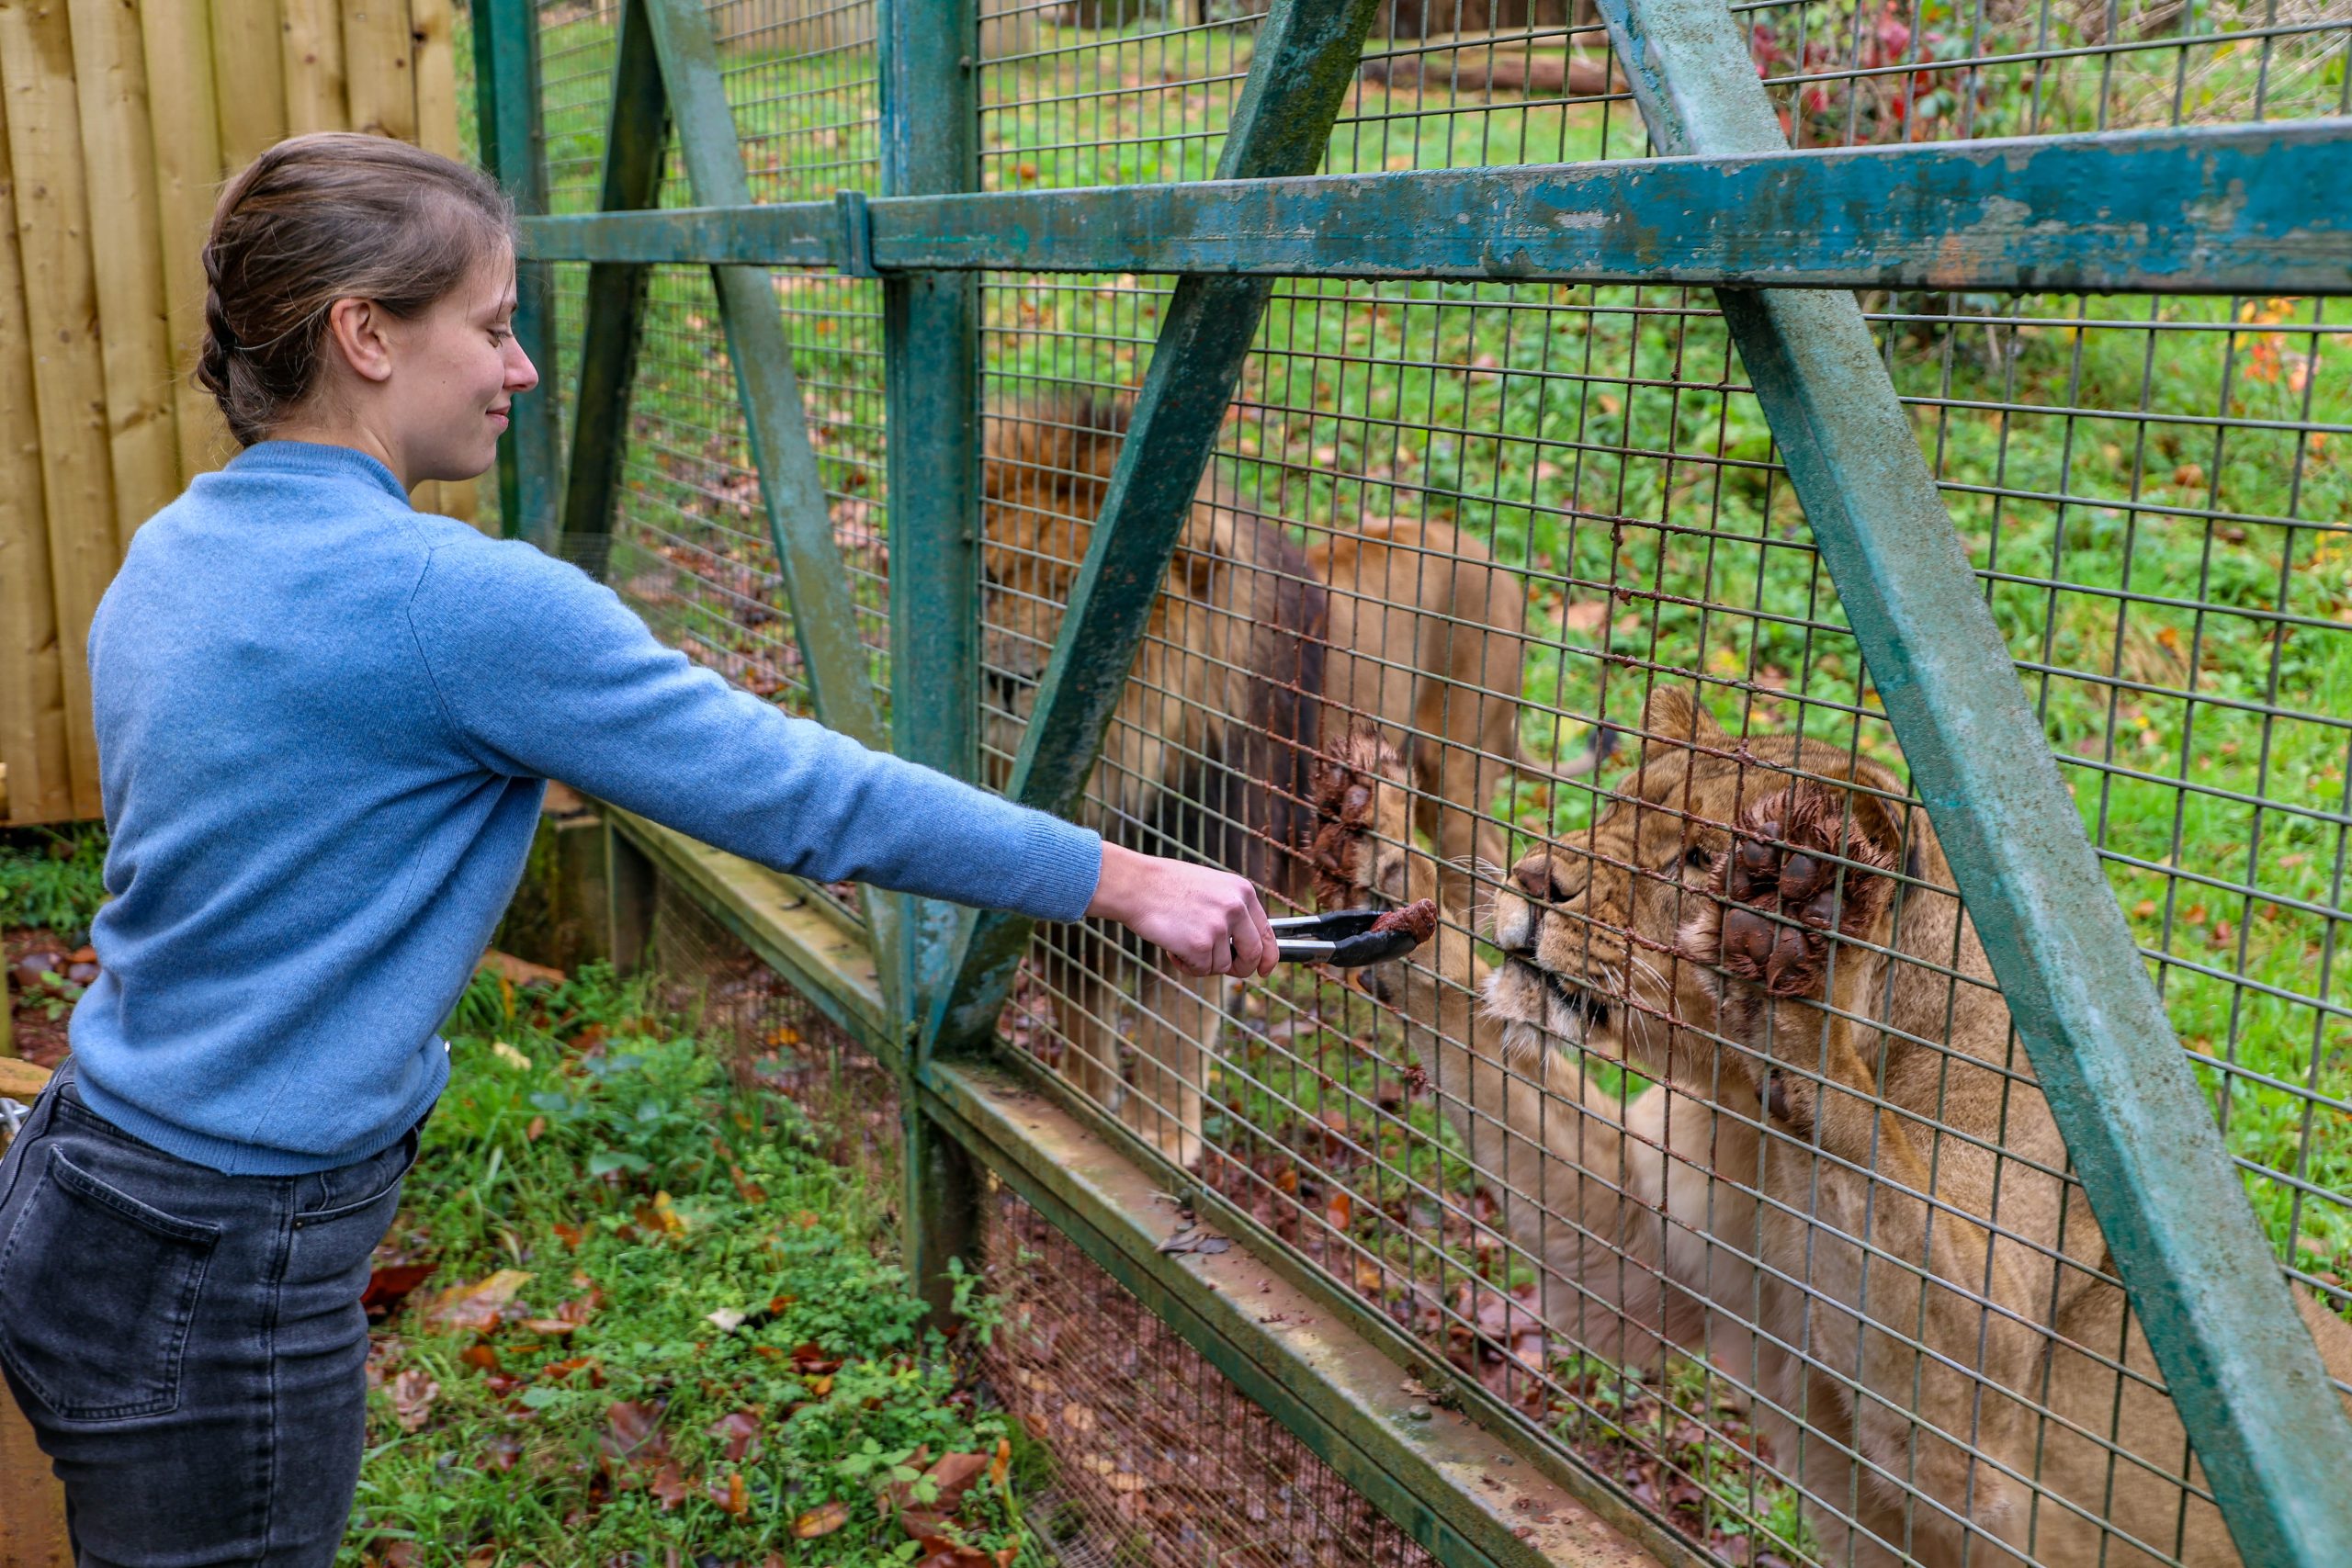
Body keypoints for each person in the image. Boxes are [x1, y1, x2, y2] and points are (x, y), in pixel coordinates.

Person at [0, 131, 1277, 1567]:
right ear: (364, 333)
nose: (522, 366)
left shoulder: (174, 549)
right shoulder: (457, 605)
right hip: (225, 1261)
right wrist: (1123, 876)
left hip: (80, 1182)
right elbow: (805, 792)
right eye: (489, 327)